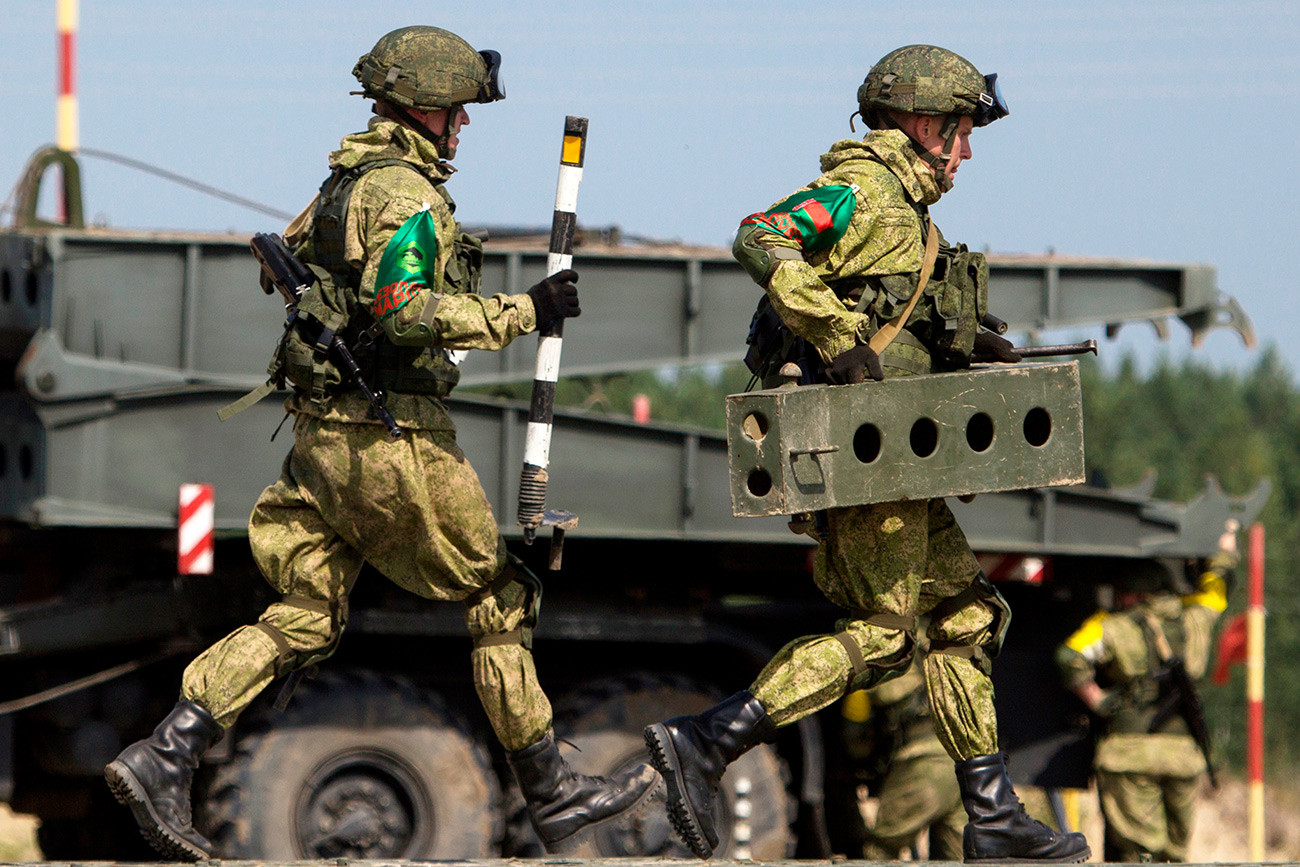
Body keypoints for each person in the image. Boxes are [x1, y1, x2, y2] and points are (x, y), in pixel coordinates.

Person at [104, 25, 658, 861]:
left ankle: (164, 751)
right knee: (500, 593)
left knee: (303, 612)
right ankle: (552, 791)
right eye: (459, 113)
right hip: (389, 435)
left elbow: (282, 260)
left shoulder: (344, 181)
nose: (464, 128)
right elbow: (404, 309)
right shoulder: (406, 195)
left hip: (321, 433)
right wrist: (524, 311)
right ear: (426, 108)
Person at [643, 45, 1090, 863]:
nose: (965, 151)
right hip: (860, 456)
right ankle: (704, 741)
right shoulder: (860, 190)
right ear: (922, 125)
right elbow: (760, 235)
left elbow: (898, 316)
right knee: (884, 634)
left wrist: (970, 344)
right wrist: (839, 336)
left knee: (966, 617)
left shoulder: (914, 216)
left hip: (899, 459)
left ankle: (991, 818)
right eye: (958, 132)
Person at [1056, 524, 1238, 862]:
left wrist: (1097, 699)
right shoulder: (1197, 618)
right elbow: (1218, 588)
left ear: (1135, 593)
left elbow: (1070, 656)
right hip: (1183, 756)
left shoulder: (1112, 626)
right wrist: (1225, 550)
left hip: (1129, 752)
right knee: (1176, 852)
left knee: (1138, 851)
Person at [841, 658, 965, 860]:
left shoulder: (872, 663)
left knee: (880, 851)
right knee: (959, 858)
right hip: (965, 765)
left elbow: (855, 737)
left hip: (923, 765)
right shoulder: (944, 655)